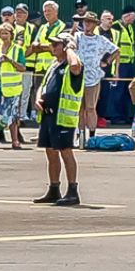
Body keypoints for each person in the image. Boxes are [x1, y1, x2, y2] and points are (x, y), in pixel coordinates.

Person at [34, 25, 86, 206]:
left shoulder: (72, 65)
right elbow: (43, 84)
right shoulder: (53, 65)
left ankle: (73, 191)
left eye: (56, 45)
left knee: (66, 152)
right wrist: (38, 98)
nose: (52, 47)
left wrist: (70, 48)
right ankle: (54, 189)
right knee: (50, 152)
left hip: (63, 117)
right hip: (48, 116)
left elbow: (75, 65)